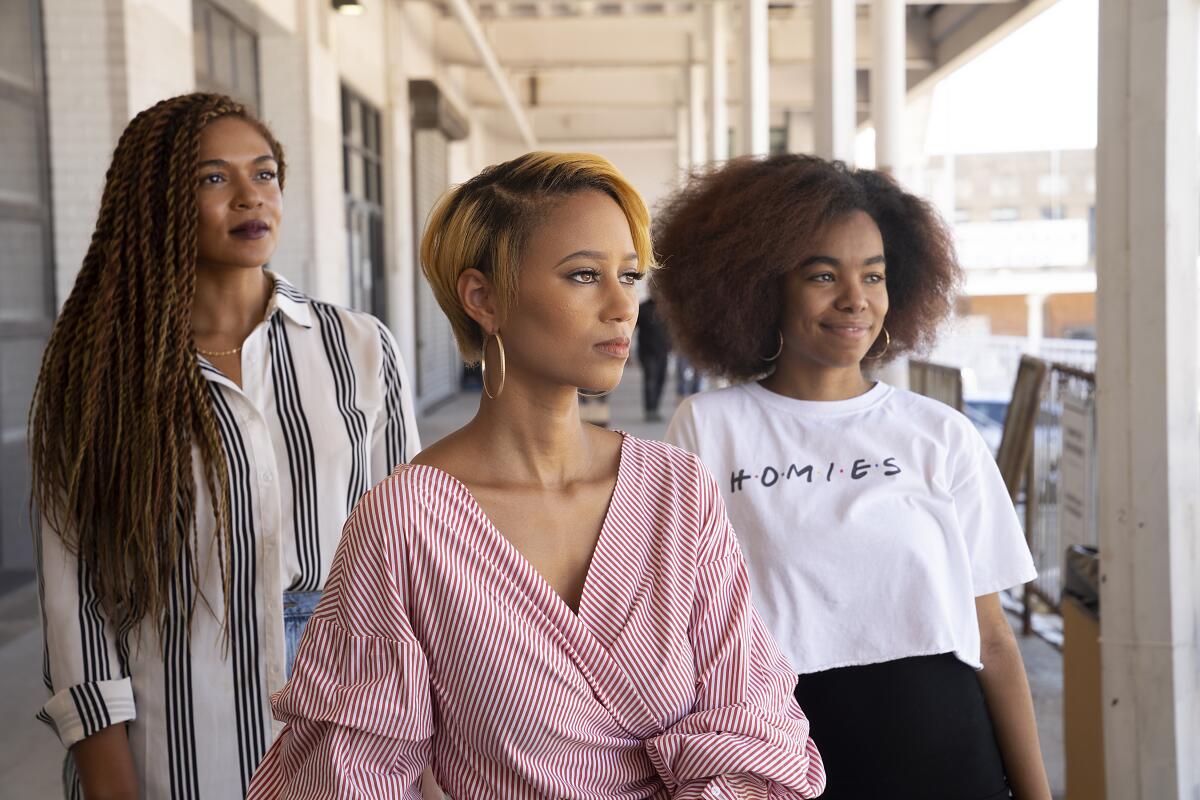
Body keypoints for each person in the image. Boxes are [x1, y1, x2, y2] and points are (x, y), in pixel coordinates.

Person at [246, 152, 826, 799]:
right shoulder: (406, 523)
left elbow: (755, 721)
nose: (622, 306)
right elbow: (353, 776)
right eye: (583, 275)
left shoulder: (676, 490)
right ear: (482, 297)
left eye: (628, 275)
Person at [29, 92, 420, 799]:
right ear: (157, 202)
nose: (250, 196)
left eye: (264, 174)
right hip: (177, 737)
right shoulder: (97, 374)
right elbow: (77, 607)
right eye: (214, 179)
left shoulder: (358, 349)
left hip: (341, 724)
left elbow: (404, 557)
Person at [657, 155, 1052, 800]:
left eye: (874, 275)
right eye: (822, 275)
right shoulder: (709, 427)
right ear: (761, 285)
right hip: (784, 748)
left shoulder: (940, 433)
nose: (855, 300)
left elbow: (993, 637)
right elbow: (685, 625)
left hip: (945, 750)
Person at [636, 294, 671, 421]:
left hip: (663, 352)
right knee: (650, 379)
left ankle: (655, 408)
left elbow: (671, 329)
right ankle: (649, 410)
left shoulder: (667, 309)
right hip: (647, 352)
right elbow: (631, 329)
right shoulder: (643, 308)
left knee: (661, 380)